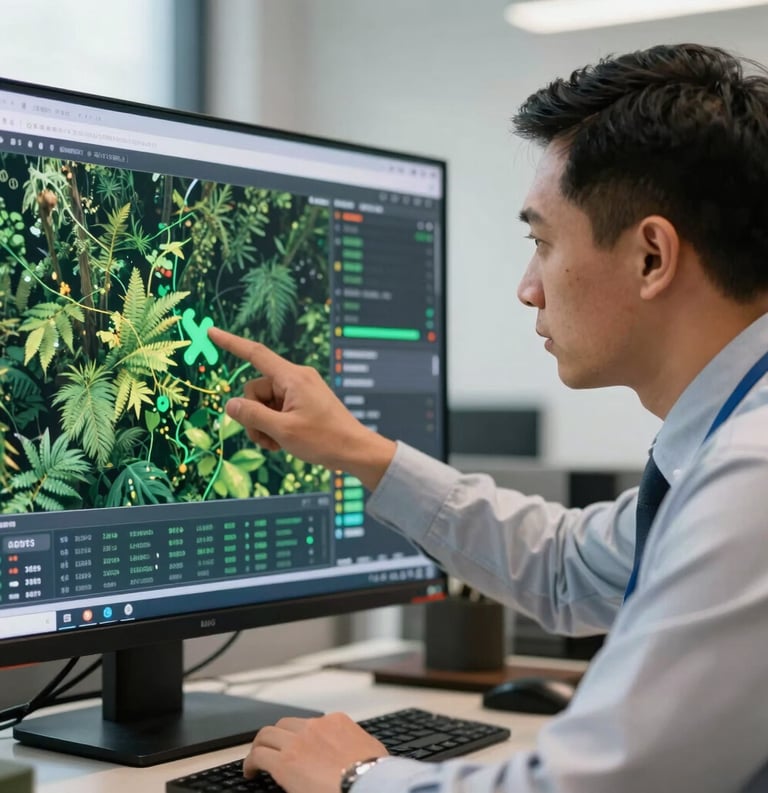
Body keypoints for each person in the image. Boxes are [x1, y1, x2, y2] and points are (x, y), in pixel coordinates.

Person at [208, 41, 768, 793]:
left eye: (542, 242)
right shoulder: (727, 445)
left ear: (651, 258)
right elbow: (572, 568)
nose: (527, 287)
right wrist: (359, 451)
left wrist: (359, 776)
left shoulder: (750, 479)